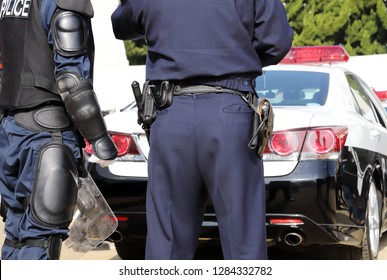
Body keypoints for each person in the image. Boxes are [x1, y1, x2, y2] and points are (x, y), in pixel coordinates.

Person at [111, 0, 293, 260]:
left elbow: (122, 25)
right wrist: (234, 54)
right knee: (244, 242)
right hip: (230, 110)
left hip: (172, 113)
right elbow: (276, 41)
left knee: (168, 245)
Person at [0, 0, 118, 260]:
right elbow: (70, 80)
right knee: (40, 238)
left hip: (11, 129)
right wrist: (99, 137)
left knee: (17, 234)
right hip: (46, 134)